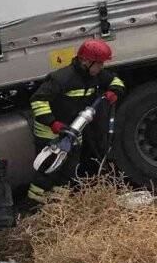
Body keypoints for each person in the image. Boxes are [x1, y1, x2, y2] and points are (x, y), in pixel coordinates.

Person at [27, 40, 124, 206]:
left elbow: (116, 81)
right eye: (99, 63)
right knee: (48, 169)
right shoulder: (62, 78)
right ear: (86, 61)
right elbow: (37, 101)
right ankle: (36, 204)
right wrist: (53, 123)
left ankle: (58, 205)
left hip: (74, 129)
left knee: (69, 169)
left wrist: (114, 91)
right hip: (51, 131)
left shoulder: (96, 74)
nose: (101, 67)